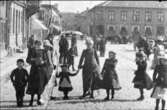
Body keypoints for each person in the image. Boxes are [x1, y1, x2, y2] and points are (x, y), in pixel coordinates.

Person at [26, 40, 48, 106]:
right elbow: (27, 60)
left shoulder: (43, 51)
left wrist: (43, 62)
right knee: (33, 84)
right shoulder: (31, 50)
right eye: (37, 44)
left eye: (39, 44)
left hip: (41, 70)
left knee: (40, 84)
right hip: (34, 69)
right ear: (35, 45)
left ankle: (39, 99)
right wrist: (34, 59)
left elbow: (46, 59)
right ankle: (31, 100)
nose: (38, 46)